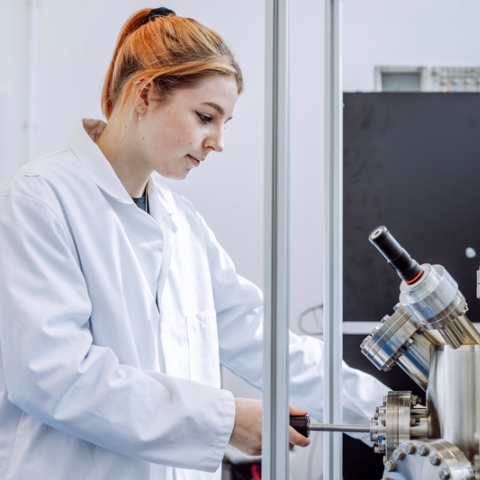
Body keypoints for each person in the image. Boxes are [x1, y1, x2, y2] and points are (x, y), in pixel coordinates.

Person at [0, 7, 389, 480]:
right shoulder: (41, 197)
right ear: (145, 93)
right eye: (207, 117)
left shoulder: (181, 224)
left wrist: (389, 411)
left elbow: (260, 337)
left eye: (224, 122)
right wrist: (223, 421)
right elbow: (54, 376)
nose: (218, 142)